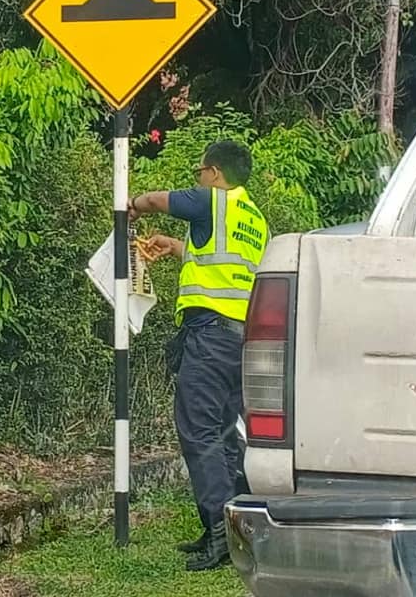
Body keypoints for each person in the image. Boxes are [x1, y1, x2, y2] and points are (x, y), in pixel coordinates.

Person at [128, 140, 269, 571]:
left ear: (214, 173)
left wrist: (131, 204)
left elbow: (155, 200)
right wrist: (178, 248)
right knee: (229, 433)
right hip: (241, 338)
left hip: (209, 338)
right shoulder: (253, 218)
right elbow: (228, 267)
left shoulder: (211, 200)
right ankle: (238, 530)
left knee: (199, 431)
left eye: (198, 172)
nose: (197, 179)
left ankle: (217, 533)